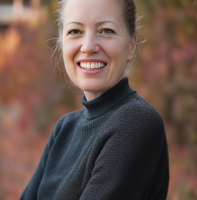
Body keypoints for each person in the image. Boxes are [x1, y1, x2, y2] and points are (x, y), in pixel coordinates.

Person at [20, 0, 169, 199]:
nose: (88, 47)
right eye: (75, 31)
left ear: (131, 46)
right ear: (61, 42)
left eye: (106, 31)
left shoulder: (137, 121)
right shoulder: (64, 129)